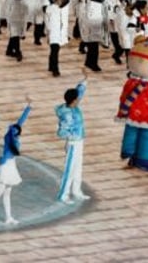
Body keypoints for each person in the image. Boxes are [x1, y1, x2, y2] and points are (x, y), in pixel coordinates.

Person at [0, 99, 31, 230]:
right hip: (6, 167)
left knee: (7, 194)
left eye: (15, 129)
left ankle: (8, 217)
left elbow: (21, 122)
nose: (14, 128)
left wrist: (28, 107)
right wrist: (3, 159)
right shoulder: (10, 138)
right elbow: (9, 152)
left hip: (11, 166)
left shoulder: (12, 135)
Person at [56, 70, 89, 204]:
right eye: (77, 98)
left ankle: (76, 191)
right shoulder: (67, 114)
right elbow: (61, 132)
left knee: (78, 168)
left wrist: (85, 79)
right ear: (73, 100)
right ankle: (63, 194)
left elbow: (79, 91)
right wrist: (71, 137)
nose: (79, 98)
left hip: (79, 141)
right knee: (69, 170)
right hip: (73, 143)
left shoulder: (73, 106)